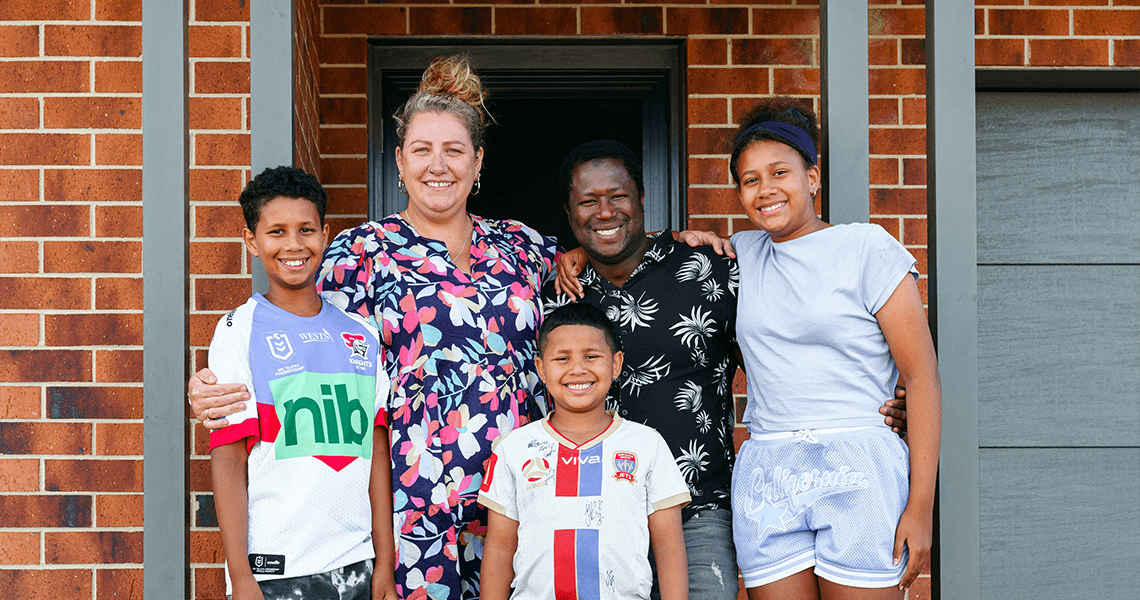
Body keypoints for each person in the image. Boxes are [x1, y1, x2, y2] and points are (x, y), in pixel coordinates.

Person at [549, 140, 911, 600]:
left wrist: (878, 404)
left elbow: (784, 347)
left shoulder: (710, 269)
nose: (605, 211)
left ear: (641, 198)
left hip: (699, 507)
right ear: (568, 211)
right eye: (587, 201)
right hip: (595, 510)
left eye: (617, 196)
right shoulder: (557, 293)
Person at [727, 100, 940, 599]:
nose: (766, 190)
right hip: (770, 465)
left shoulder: (867, 248)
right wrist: (583, 253)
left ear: (813, 177)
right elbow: (648, 256)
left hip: (858, 463)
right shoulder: (741, 253)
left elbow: (923, 377)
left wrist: (921, 506)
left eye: (779, 172)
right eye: (750, 180)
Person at [207, 166, 396, 600]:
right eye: (277, 231)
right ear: (251, 241)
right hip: (276, 569)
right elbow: (229, 459)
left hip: (355, 565)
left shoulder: (361, 333)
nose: (294, 244)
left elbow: (375, 454)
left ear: (324, 234)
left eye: (306, 229)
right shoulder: (239, 330)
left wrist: (383, 564)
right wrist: (241, 578)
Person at [479, 303, 691, 600]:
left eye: (591, 356)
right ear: (541, 368)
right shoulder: (514, 448)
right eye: (562, 358)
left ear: (615, 364)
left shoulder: (647, 444)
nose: (578, 369)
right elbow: (500, 547)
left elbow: (668, 544)